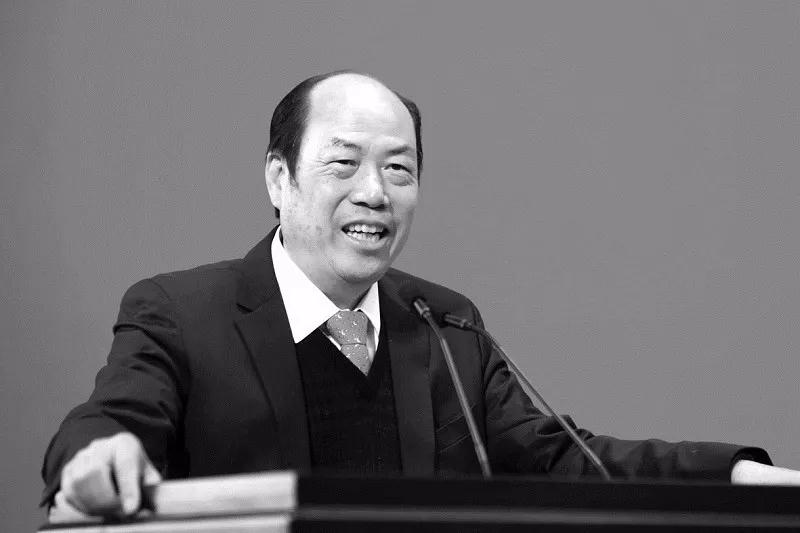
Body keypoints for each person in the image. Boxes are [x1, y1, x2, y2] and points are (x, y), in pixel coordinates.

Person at [41, 71, 800, 518]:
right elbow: (106, 426)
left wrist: (736, 475)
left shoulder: (443, 323)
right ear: (279, 177)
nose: (375, 192)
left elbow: (563, 460)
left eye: (399, 169)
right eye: (344, 164)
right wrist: (97, 458)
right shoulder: (182, 313)